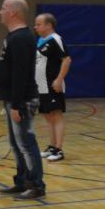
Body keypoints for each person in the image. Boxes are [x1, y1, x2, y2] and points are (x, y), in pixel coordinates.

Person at [0, 0, 46, 200]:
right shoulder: (13, 36)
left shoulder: (22, 38)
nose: (0, 12)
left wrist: (16, 104)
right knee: (17, 145)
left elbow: (21, 74)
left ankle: (36, 186)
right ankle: (22, 181)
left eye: (3, 8)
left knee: (26, 144)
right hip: (13, 100)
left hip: (22, 101)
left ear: (13, 12)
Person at [33, 13, 72, 162]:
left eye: (39, 24)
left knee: (56, 115)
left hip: (52, 85)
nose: (35, 27)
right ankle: (52, 147)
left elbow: (67, 60)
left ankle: (59, 149)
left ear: (49, 25)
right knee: (48, 116)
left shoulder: (56, 39)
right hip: (41, 86)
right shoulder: (40, 41)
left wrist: (59, 80)